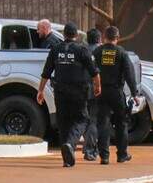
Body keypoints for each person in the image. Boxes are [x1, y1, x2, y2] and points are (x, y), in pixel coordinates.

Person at [37, 22, 101, 167]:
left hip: (60, 92)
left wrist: (40, 91)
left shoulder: (55, 49)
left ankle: (67, 158)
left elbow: (46, 73)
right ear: (76, 35)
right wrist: (98, 86)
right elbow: (94, 72)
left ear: (64, 34)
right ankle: (70, 144)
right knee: (82, 119)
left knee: (63, 122)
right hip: (78, 91)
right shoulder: (82, 50)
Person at [93, 26, 139, 165]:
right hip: (116, 92)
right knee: (121, 123)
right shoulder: (121, 53)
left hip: (101, 92)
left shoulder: (97, 51)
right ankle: (122, 155)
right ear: (117, 38)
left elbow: (91, 70)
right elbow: (130, 75)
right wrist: (134, 93)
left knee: (103, 124)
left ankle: (104, 157)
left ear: (104, 37)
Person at [83, 28, 102, 161]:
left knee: (83, 119)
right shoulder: (102, 52)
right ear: (99, 39)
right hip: (96, 89)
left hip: (81, 89)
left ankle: (87, 146)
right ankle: (90, 149)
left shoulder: (82, 51)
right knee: (93, 121)